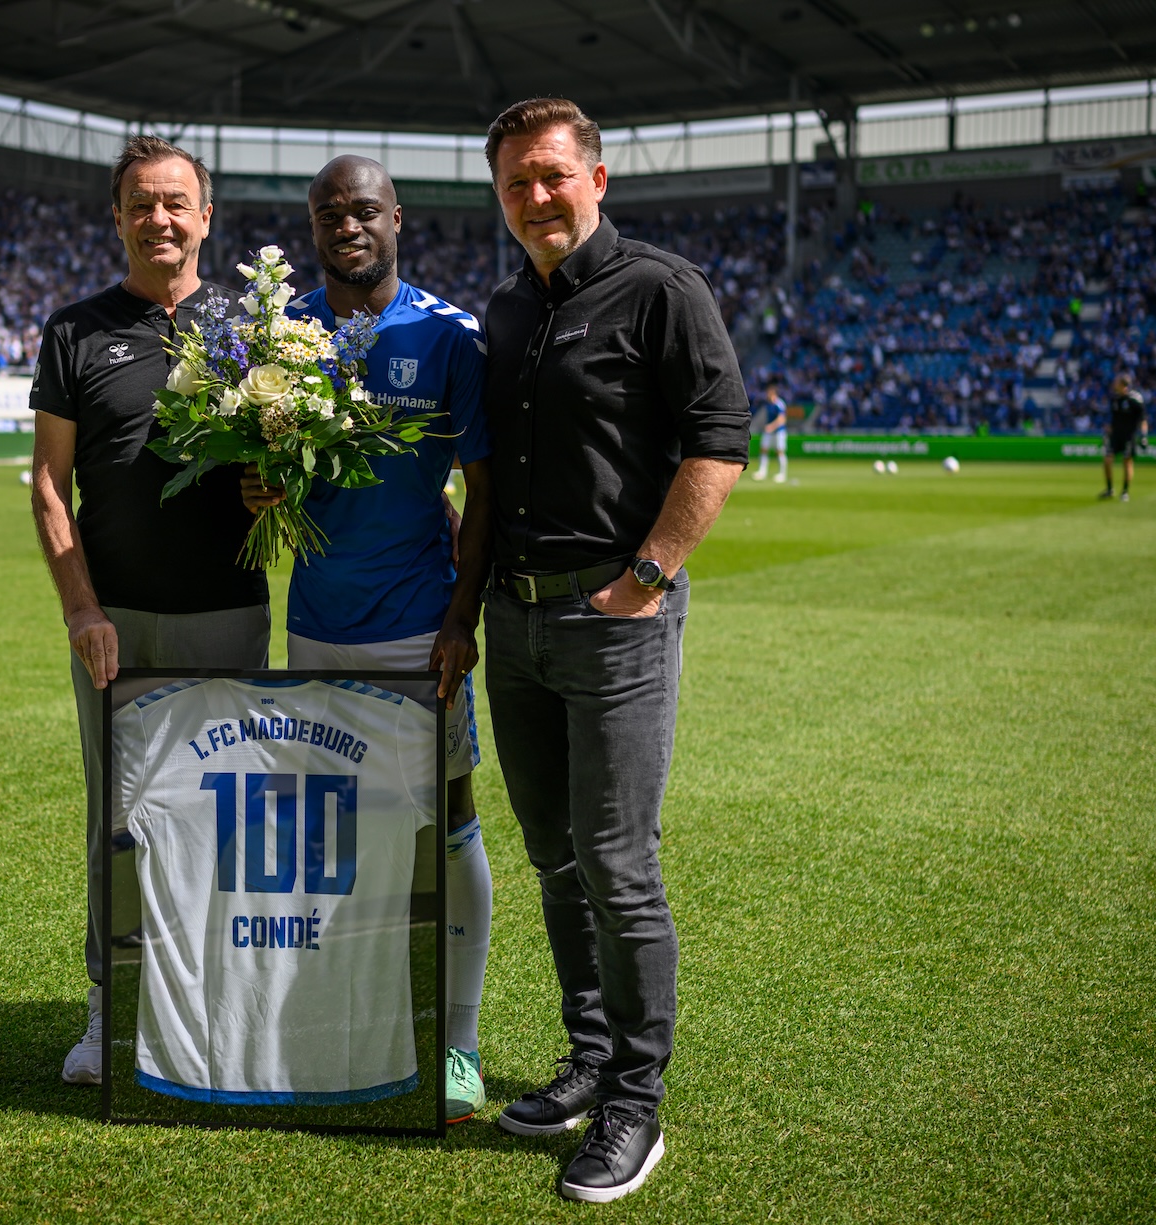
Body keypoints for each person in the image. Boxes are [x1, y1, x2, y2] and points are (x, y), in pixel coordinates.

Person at [478, 98, 749, 1203]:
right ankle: (589, 1056)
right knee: (552, 855)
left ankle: (637, 1099)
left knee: (618, 863)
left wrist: (647, 578)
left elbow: (718, 440)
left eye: (551, 175)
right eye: (515, 185)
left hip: (615, 619)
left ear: (596, 178)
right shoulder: (503, 311)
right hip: (515, 618)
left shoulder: (662, 289)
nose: (535, 198)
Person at [240, 155, 497, 1124]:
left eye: (362, 211)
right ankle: (341, 1018)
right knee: (331, 836)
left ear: (398, 217)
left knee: (449, 818)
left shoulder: (446, 335)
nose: (345, 225)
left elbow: (485, 489)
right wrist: (261, 486)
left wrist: (461, 616)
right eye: (326, 215)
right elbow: (269, 465)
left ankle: (460, 1041)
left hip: (414, 626)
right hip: (314, 626)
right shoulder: (282, 332)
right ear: (310, 228)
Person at [29, 134, 270, 1085]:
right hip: (115, 625)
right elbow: (49, 488)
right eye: (141, 203)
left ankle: (223, 1003)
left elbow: (289, 472)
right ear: (119, 218)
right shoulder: (75, 330)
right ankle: (109, 1003)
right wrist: (81, 610)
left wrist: (273, 489)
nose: (159, 219)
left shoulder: (256, 328)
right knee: (118, 818)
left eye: (177, 202)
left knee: (225, 815)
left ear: (206, 217)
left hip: (231, 616)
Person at [1101, 372, 1146, 501]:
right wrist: (1107, 434)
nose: (1114, 384)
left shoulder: (1135, 400)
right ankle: (1110, 489)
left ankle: (1125, 491)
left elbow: (1143, 419)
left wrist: (1143, 436)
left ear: (1122, 385)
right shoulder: (1115, 399)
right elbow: (1113, 420)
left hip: (1128, 436)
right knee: (1107, 460)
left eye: (1116, 382)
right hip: (1115, 436)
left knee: (1127, 462)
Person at [753, 380, 789, 483]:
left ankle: (782, 474)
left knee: (780, 451)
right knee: (764, 449)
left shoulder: (780, 404)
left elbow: (782, 419)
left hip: (779, 432)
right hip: (769, 431)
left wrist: (771, 427)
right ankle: (762, 472)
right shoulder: (768, 404)